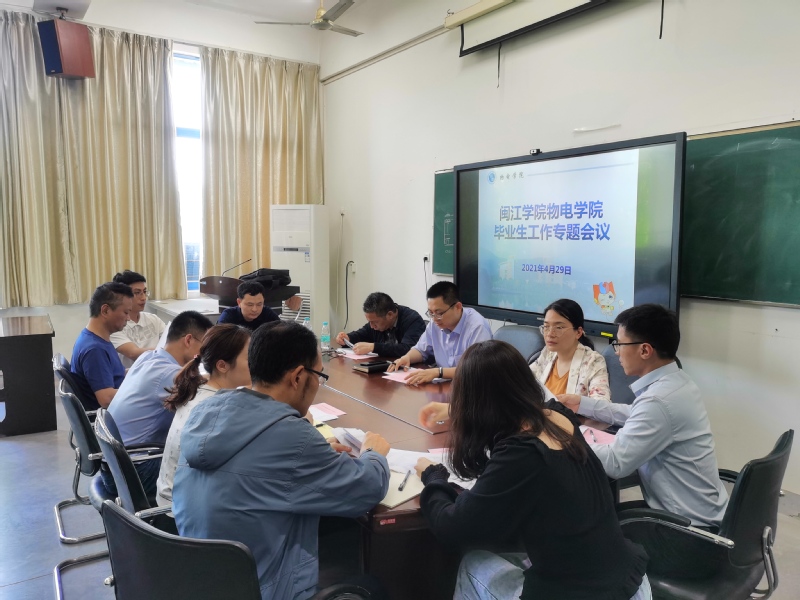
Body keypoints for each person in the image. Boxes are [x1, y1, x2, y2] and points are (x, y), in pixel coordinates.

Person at [414, 340, 650, 600]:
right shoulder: (559, 416)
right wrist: (457, 411)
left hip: (587, 594)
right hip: (630, 582)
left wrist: (433, 477)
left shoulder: (520, 453)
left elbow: (454, 528)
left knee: (473, 563)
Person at [172, 321, 391, 600]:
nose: (318, 384)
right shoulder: (292, 437)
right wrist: (373, 453)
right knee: (376, 585)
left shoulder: (207, 411)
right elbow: (367, 489)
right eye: (319, 376)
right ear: (298, 376)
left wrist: (316, 454)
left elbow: (262, 465)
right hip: (266, 591)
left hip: (204, 583)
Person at [558, 304, 728, 577]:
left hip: (687, 536)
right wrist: (583, 403)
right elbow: (636, 413)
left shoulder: (659, 400)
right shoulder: (678, 383)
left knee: (583, 536)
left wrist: (565, 434)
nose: (616, 351)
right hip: (705, 520)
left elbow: (615, 464)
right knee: (599, 518)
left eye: (619, 343)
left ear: (645, 350)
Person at [104, 310, 213, 497]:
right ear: (188, 340)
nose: (205, 354)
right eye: (204, 346)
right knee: (212, 472)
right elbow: (212, 390)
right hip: (136, 471)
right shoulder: (169, 374)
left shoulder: (148, 357)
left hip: (115, 466)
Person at [156, 324, 252, 506]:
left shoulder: (199, 388)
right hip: (181, 510)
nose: (256, 363)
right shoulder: (218, 409)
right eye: (250, 358)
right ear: (222, 365)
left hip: (170, 497)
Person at [387, 282, 492, 385]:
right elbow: (421, 350)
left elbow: (475, 370)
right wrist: (407, 358)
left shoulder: (477, 328)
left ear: (458, 307)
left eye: (439, 313)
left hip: (470, 387)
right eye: (430, 313)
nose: (434, 318)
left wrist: (439, 372)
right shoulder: (435, 323)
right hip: (444, 385)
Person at [530, 298, 610, 403]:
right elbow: (523, 380)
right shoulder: (547, 354)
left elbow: (601, 406)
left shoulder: (593, 361)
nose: (550, 334)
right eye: (546, 327)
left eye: (559, 328)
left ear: (578, 332)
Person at [70, 282, 133, 410]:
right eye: (126, 312)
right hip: (111, 415)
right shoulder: (95, 349)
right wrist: (142, 390)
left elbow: (115, 374)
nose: (129, 318)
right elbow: (106, 398)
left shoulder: (94, 338)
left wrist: (140, 372)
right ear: (105, 310)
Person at [335, 292, 425, 358]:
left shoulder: (413, 320)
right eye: (369, 321)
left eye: (374, 322)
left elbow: (408, 349)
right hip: (384, 367)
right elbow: (362, 334)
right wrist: (347, 338)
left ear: (390, 315)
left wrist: (373, 347)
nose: (371, 326)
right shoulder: (376, 321)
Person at [109, 270, 166, 368]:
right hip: (132, 375)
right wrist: (169, 350)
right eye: (137, 293)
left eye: (144, 292)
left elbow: (171, 340)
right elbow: (134, 353)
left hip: (158, 370)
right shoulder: (115, 326)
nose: (143, 298)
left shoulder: (153, 319)